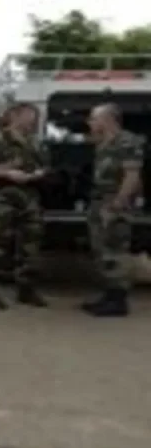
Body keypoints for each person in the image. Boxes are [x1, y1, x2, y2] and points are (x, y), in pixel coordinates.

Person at [0, 102, 48, 310]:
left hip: (30, 196)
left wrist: (37, 174)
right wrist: (5, 173)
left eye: (35, 116)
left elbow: (46, 166)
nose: (33, 120)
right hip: (3, 197)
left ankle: (26, 289)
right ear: (15, 116)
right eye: (29, 115)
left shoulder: (35, 142)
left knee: (31, 245)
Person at [82, 103, 144, 317]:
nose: (90, 123)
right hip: (100, 201)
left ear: (108, 119)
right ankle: (108, 296)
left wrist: (119, 202)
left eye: (93, 118)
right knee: (102, 249)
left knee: (116, 250)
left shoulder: (127, 141)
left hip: (115, 202)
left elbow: (132, 175)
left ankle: (118, 301)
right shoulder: (103, 143)